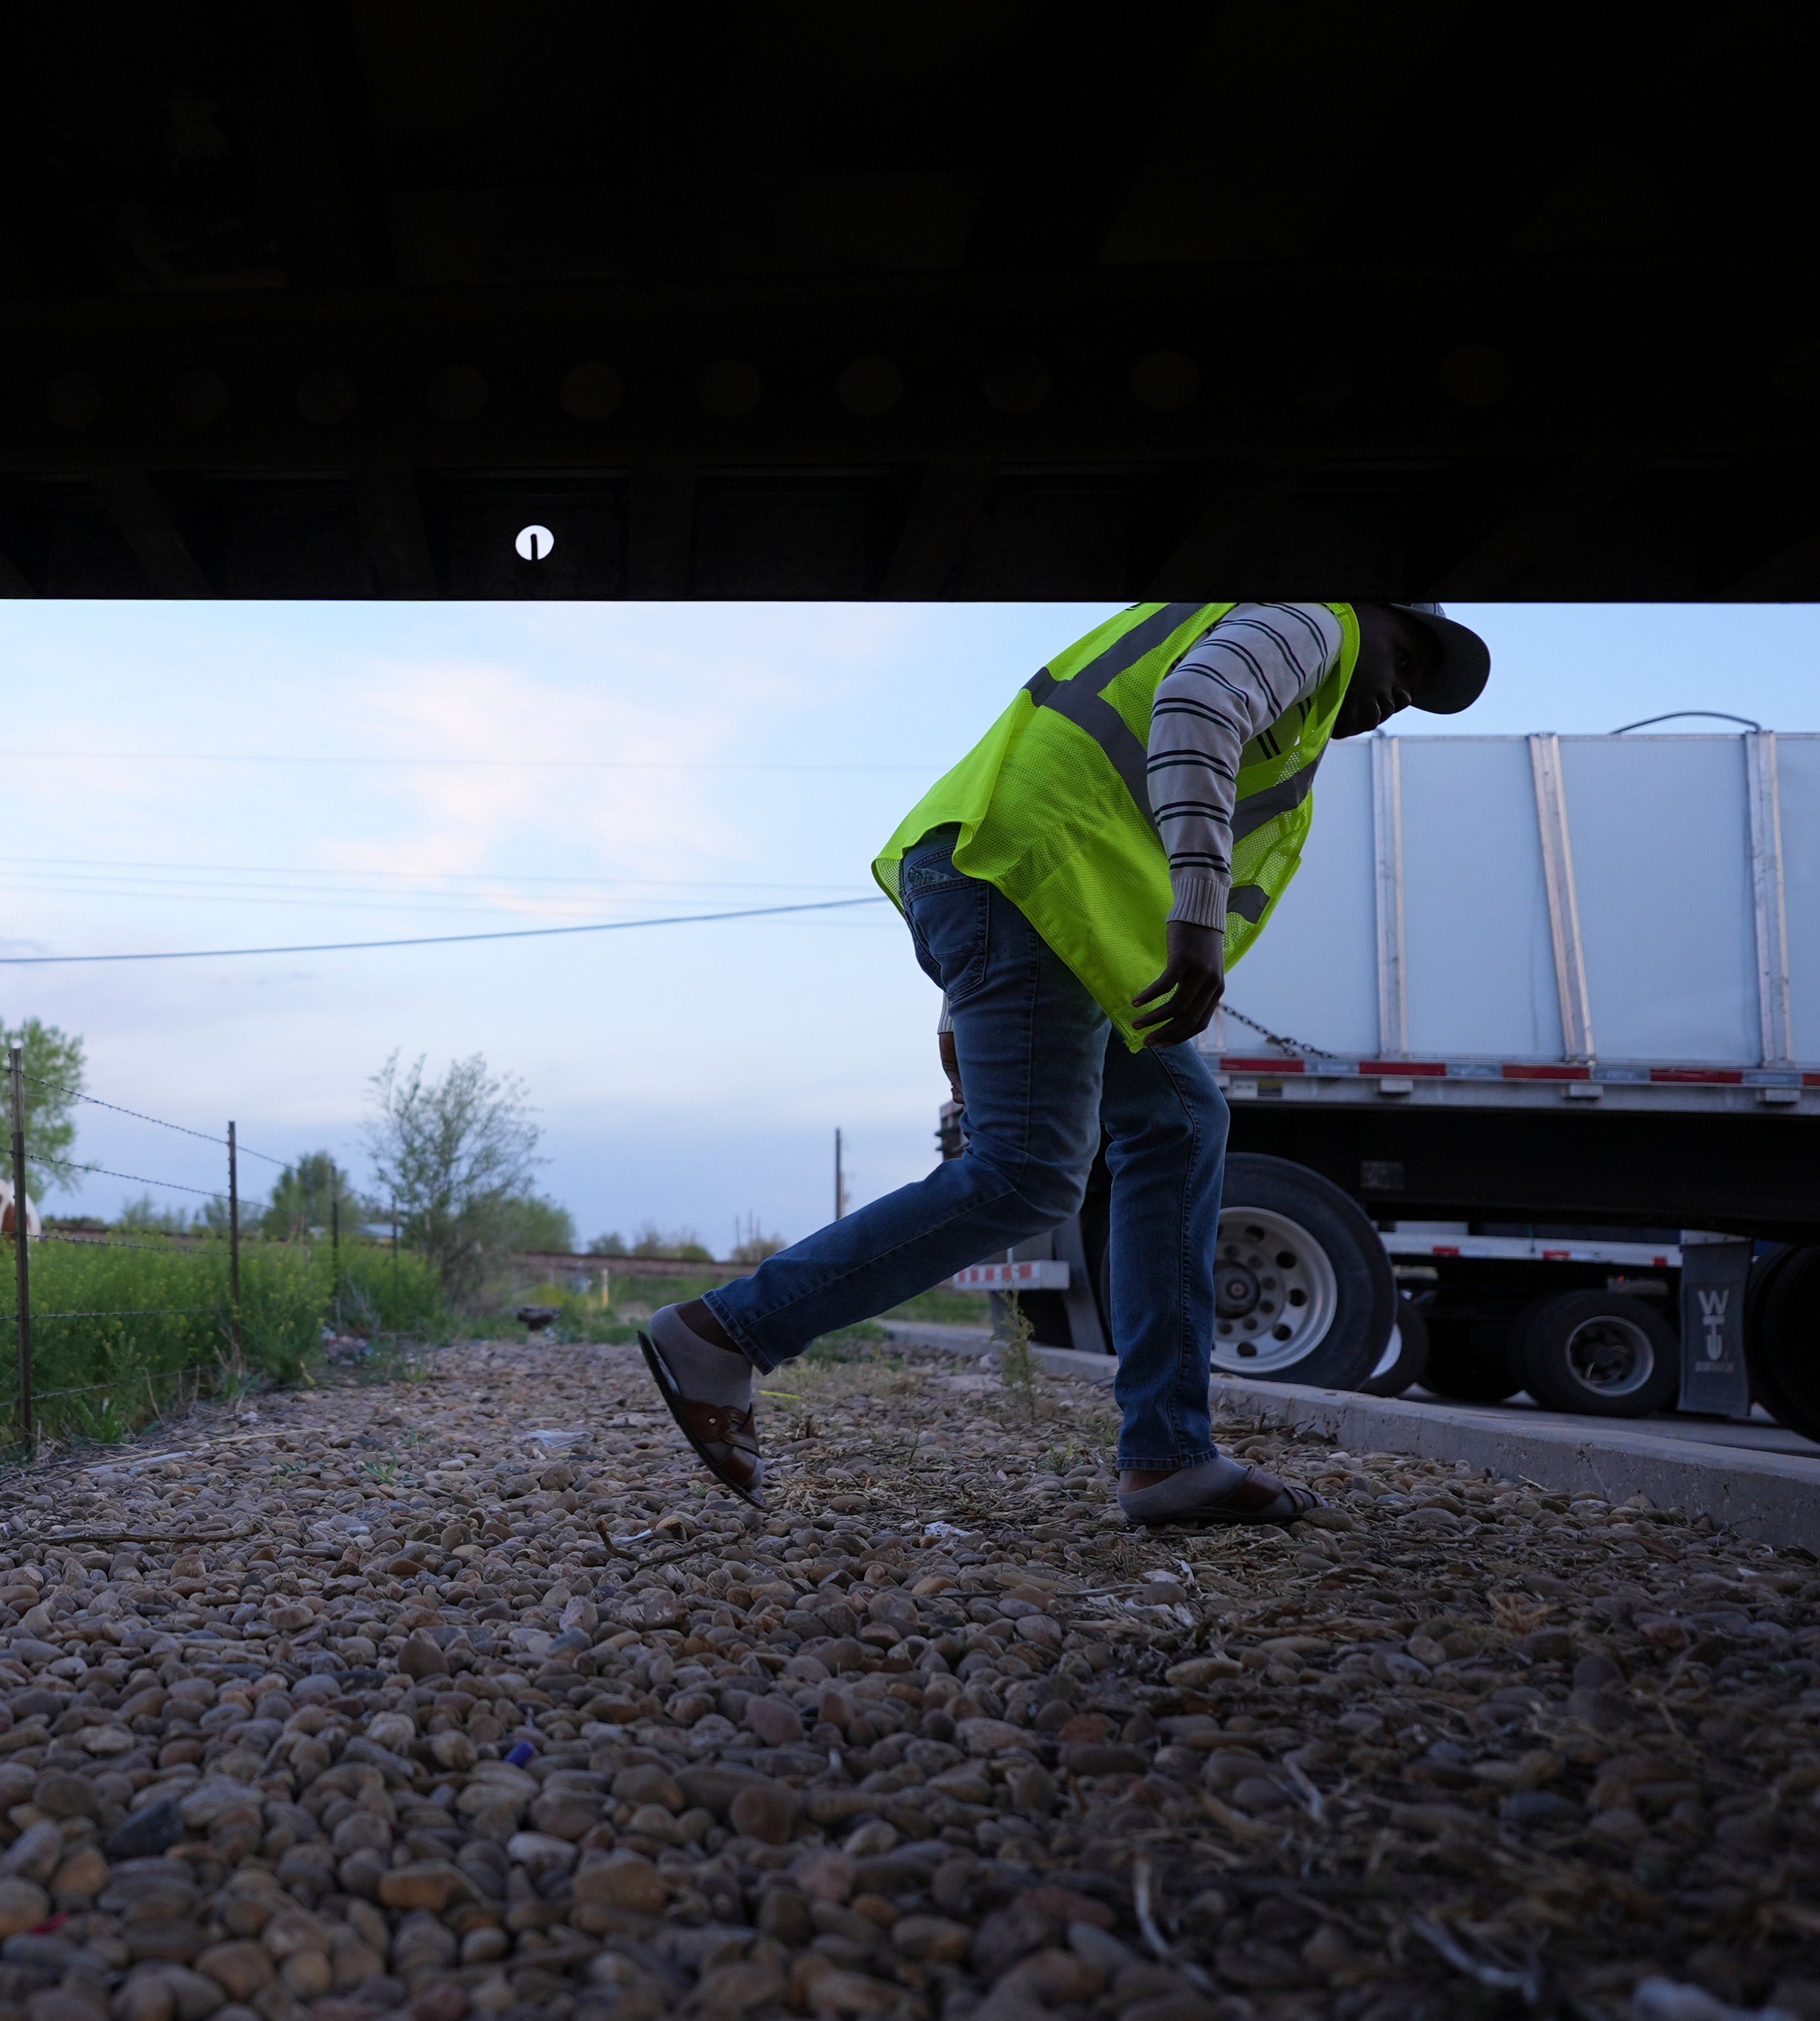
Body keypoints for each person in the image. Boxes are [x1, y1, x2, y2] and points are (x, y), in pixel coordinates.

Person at [639, 602, 1491, 1524]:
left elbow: (1073, 779)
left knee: (1178, 1120)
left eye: (1415, 690)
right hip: (1031, 891)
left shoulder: (1288, 681)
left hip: (1032, 897)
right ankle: (725, 1330)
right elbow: (1197, 704)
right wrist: (1196, 916)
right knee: (1029, 1172)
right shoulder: (1308, 618)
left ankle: (1167, 1452)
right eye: (1406, 652)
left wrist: (956, 999)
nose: (1401, 690)